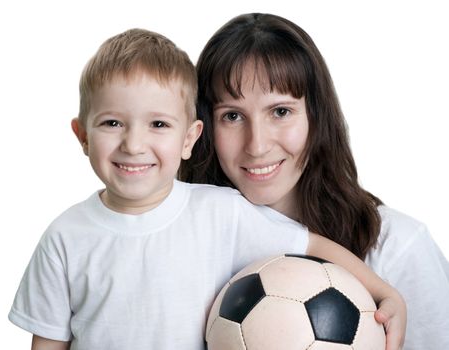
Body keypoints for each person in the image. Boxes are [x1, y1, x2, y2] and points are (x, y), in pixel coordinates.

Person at [8, 28, 404, 350]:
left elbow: (311, 246)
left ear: (190, 138)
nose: (133, 144)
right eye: (112, 123)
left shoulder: (221, 213)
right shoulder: (64, 237)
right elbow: (48, 341)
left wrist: (385, 293)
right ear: (82, 136)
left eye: (158, 125)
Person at [179, 12, 449, 350]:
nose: (257, 145)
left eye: (280, 111)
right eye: (232, 116)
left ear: (316, 117)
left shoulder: (397, 248)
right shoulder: (183, 246)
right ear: (202, 129)